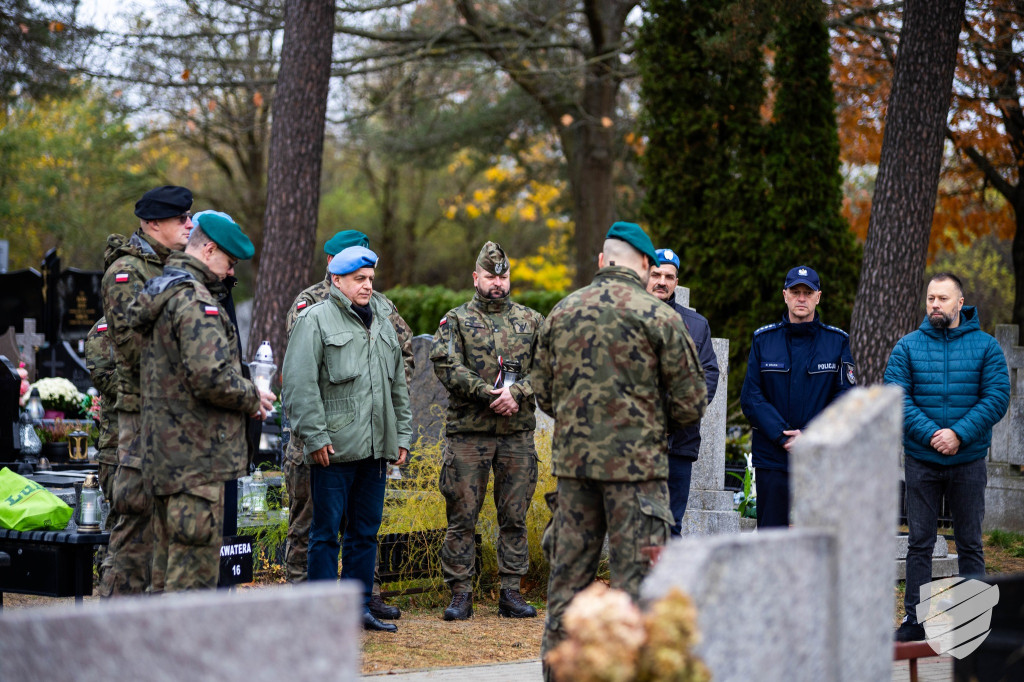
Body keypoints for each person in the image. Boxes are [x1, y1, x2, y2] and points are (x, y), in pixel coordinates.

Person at [533, 222, 708, 667]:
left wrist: (585, 426)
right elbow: (691, 403)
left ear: (602, 260)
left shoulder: (561, 312)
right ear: (646, 265)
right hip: (639, 478)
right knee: (640, 593)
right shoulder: (660, 317)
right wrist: (645, 423)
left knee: (567, 593)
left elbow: (544, 394)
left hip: (575, 474)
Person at [127, 212, 274, 592]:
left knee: (162, 571)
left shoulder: (163, 288)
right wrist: (252, 396)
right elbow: (210, 376)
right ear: (209, 250)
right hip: (196, 459)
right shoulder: (195, 299)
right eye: (229, 263)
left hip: (164, 455)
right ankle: (181, 651)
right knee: (191, 576)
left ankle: (158, 650)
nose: (229, 273)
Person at [282, 229, 412, 622]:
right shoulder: (314, 318)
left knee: (365, 532)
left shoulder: (383, 321)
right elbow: (299, 384)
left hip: (374, 449)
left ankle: (358, 610)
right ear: (336, 279)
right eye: (359, 279)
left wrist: (402, 435)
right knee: (323, 535)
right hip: (333, 449)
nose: (368, 285)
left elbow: (398, 387)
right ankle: (323, 613)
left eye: (371, 278)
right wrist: (316, 437)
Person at [885, 273, 1010, 642]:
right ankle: (915, 623)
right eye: (930, 298)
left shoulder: (986, 348)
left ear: (960, 303)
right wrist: (931, 435)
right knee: (920, 542)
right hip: (922, 461)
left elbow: (996, 397)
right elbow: (896, 395)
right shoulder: (907, 347)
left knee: (970, 541)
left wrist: (959, 434)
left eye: (942, 298)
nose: (935, 304)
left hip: (968, 460)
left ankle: (972, 625)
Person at [430, 241, 545, 621]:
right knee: (462, 515)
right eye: (491, 276)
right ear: (475, 277)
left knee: (513, 516)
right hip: (469, 435)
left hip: (516, 434)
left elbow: (550, 366)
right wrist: (486, 393)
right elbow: (446, 364)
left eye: (504, 276)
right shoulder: (456, 320)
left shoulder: (531, 321)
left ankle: (511, 591)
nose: (498, 282)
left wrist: (518, 392)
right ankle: (461, 593)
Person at [99, 185, 193, 596]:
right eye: (180, 219)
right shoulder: (127, 273)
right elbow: (132, 348)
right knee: (135, 528)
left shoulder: (174, 267)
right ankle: (112, 634)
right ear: (153, 224)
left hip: (174, 415)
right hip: (142, 418)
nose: (190, 225)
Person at [740, 265, 856, 528]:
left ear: (818, 296)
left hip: (819, 457)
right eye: (795, 292)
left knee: (817, 541)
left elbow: (844, 399)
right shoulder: (763, 340)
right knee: (771, 540)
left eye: (808, 292)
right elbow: (751, 397)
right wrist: (783, 436)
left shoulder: (836, 342)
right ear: (785, 295)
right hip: (772, 457)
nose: (801, 298)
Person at [647, 248, 719, 534]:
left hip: (678, 443)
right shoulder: (625, 318)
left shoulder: (696, 325)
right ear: (646, 276)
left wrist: (676, 416)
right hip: (633, 445)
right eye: (656, 274)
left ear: (676, 282)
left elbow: (708, 376)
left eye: (669, 276)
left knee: (671, 525)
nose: (661, 281)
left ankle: (668, 581)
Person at [83, 316, 118, 590]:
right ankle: (110, 593)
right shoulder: (103, 330)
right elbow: (106, 379)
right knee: (120, 523)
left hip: (155, 446)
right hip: (118, 448)